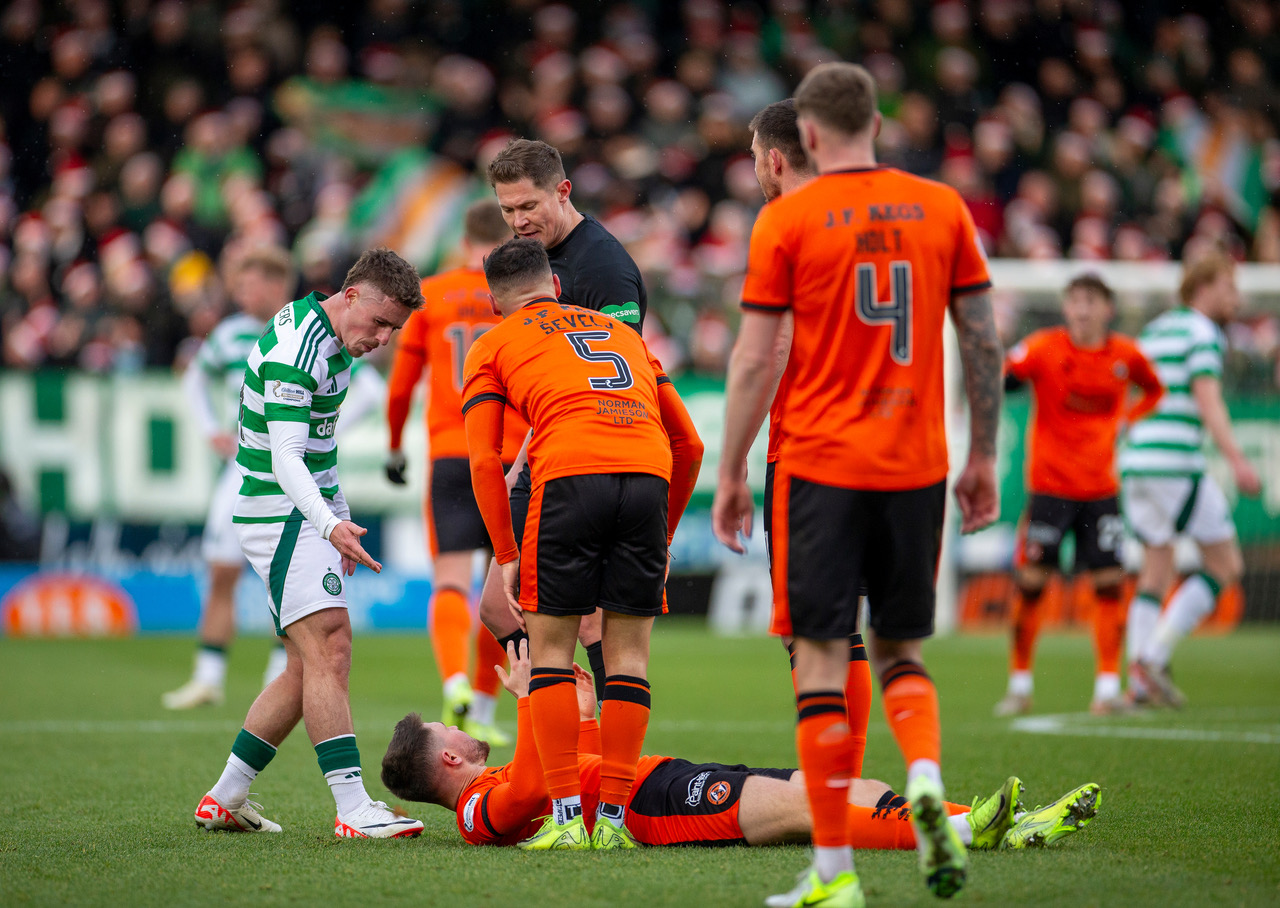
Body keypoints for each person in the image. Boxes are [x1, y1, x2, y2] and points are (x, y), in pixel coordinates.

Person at [712, 63, 1003, 907]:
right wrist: (983, 451)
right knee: (901, 651)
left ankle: (834, 871)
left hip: (819, 466)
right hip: (918, 461)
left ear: (804, 137)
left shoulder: (788, 218)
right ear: (877, 121)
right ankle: (919, 773)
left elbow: (755, 357)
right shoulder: (943, 206)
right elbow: (982, 340)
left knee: (818, 660)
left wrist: (732, 472)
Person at [381, 639, 1101, 852]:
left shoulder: (491, 779)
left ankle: (992, 822)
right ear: (446, 760)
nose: (464, 728)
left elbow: (567, 772)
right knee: (802, 805)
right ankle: (963, 834)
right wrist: (540, 700)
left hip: (656, 778)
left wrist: (584, 712)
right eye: (453, 731)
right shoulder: (477, 812)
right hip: (652, 810)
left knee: (847, 789)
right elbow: (540, 791)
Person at [461, 237, 703, 850]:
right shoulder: (620, 332)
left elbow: (486, 461)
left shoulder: (492, 342)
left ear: (495, 302)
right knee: (629, 660)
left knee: (550, 656)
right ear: (558, 286)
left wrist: (508, 556)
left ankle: (570, 819)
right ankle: (616, 822)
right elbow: (691, 445)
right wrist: (665, 535)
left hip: (568, 476)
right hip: (647, 475)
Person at [192, 247, 427, 839]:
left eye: (394, 330)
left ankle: (226, 796)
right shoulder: (302, 350)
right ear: (351, 295)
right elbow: (287, 454)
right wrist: (328, 525)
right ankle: (352, 808)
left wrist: (339, 519)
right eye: (379, 322)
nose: (383, 338)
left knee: (304, 665)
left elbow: (320, 452)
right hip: (280, 511)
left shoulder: (332, 342)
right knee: (331, 646)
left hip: (294, 509)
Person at [164, 246, 385, 709]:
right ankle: (208, 674)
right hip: (246, 468)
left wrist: (323, 430)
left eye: (250, 283)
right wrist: (210, 430)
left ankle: (277, 668)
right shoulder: (229, 335)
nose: (243, 293)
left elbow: (367, 390)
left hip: (290, 469)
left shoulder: (309, 332)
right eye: (239, 285)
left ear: (275, 285)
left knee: (284, 574)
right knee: (223, 568)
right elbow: (193, 380)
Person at [476, 138, 651, 706]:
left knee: (593, 620)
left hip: (590, 457)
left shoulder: (605, 269)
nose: (518, 221)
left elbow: (619, 378)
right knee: (498, 606)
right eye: (507, 210)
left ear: (563, 191)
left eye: (529, 207)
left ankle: (593, 743)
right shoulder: (534, 261)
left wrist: (523, 458)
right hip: (547, 451)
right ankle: (563, 717)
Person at [749, 99, 876, 783]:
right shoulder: (869, 216)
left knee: (810, 632)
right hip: (877, 443)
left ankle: (829, 791)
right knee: (846, 626)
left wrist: (743, 437)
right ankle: (846, 781)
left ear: (775, 157)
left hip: (805, 446)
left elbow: (774, 344)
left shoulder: (783, 221)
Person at [384, 200, 530, 744]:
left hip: (452, 452)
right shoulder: (516, 299)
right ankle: (489, 711)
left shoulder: (434, 295)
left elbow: (400, 386)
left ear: (463, 238)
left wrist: (395, 446)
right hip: (512, 457)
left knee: (450, 579)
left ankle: (456, 681)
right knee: (504, 581)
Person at [994, 274, 1163, 718]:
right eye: (1075, 302)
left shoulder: (1126, 356)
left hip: (1101, 489)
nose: (1082, 310)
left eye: (1091, 302)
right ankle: (1020, 684)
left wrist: (1131, 420)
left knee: (1108, 586)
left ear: (1108, 308)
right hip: (1049, 488)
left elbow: (1154, 389)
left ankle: (1107, 690)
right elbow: (1006, 376)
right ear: (1066, 309)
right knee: (1031, 585)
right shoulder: (1043, 347)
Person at [1119, 251, 1261, 708]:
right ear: (1205, 287)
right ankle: (1153, 659)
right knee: (1226, 566)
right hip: (1175, 463)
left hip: (1137, 462)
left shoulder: (1156, 330)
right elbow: (1208, 401)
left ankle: (1139, 680)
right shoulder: (1203, 333)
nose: (1236, 298)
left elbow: (1131, 394)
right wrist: (1237, 459)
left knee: (1155, 567)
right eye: (1229, 287)